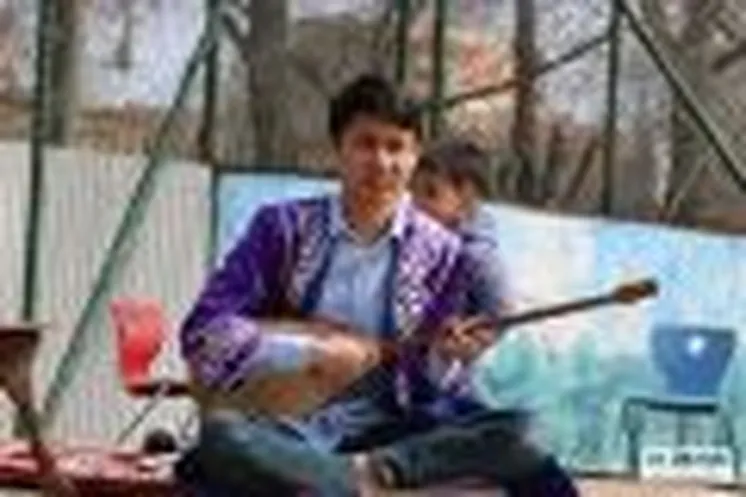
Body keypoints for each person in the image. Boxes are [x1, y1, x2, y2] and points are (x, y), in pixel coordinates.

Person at [175, 74, 577, 496]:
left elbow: (428, 387)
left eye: (396, 147)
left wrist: (444, 356)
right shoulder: (281, 230)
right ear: (338, 149)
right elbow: (204, 332)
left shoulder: (443, 254)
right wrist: (309, 353)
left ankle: (371, 474)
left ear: (414, 156)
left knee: (529, 434)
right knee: (223, 438)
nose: (382, 162)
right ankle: (335, 476)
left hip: (400, 433)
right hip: (296, 427)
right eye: (366, 144)